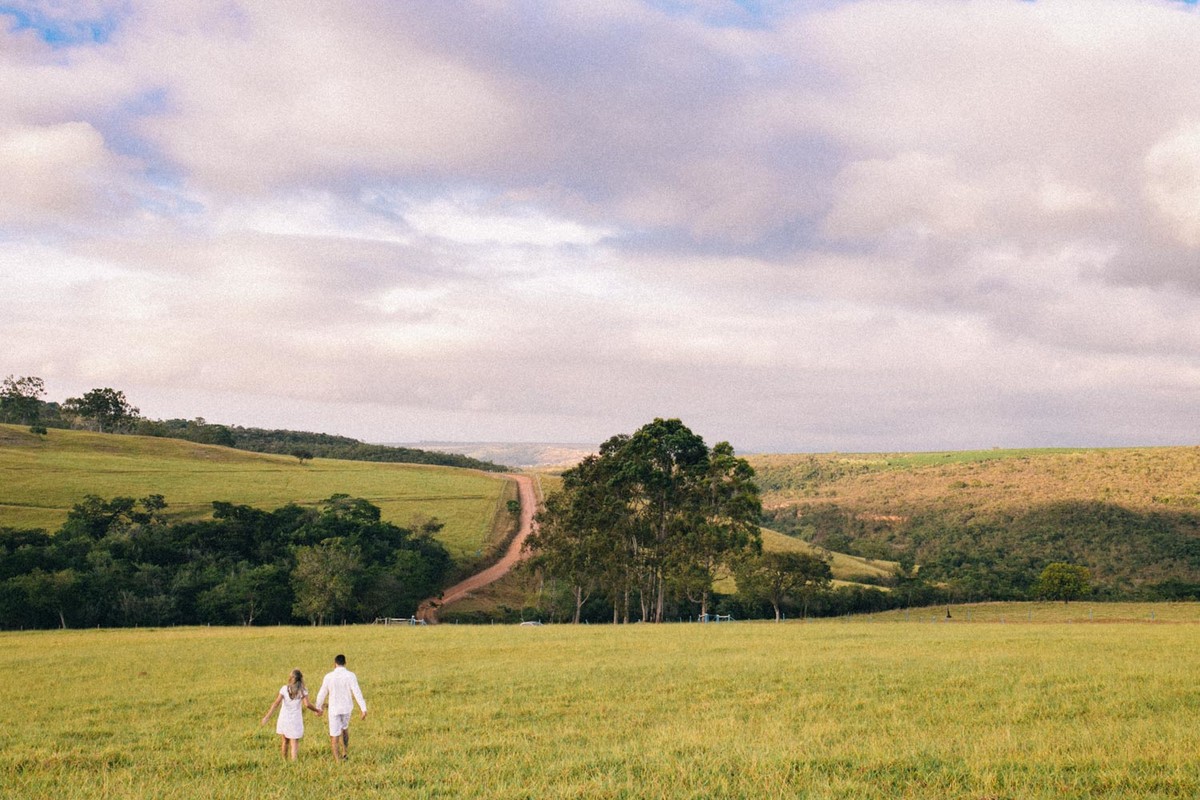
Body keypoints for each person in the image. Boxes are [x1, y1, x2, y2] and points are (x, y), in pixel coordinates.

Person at [260, 669, 322, 760]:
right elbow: (307, 704)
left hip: (284, 719)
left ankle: (284, 760)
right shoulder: (303, 690)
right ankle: (294, 762)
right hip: (295, 720)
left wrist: (267, 717)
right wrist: (316, 710)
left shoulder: (284, 689)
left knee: (285, 741)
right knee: (294, 743)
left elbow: (276, 703)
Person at [314, 654, 367, 761]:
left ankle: (337, 760)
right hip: (347, 707)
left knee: (334, 735)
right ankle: (344, 752)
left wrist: (318, 707)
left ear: (335, 664)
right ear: (345, 663)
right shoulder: (351, 675)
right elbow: (357, 692)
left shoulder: (328, 676)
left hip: (334, 709)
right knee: (344, 729)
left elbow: (322, 693)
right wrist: (363, 708)